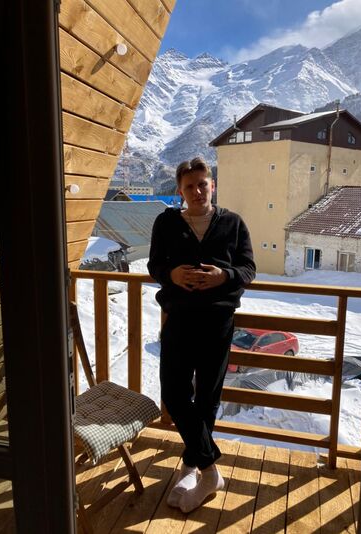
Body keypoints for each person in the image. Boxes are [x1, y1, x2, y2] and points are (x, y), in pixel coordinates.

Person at [147, 157, 256, 513]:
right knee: (174, 394)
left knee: (208, 398)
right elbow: (154, 265)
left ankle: (192, 467)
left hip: (217, 323)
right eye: (189, 186)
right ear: (180, 191)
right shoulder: (166, 222)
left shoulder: (233, 223)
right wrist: (172, 275)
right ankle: (210, 472)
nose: (197, 191)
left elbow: (248, 267)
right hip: (179, 319)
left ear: (212, 185)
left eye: (202, 184)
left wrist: (224, 276)